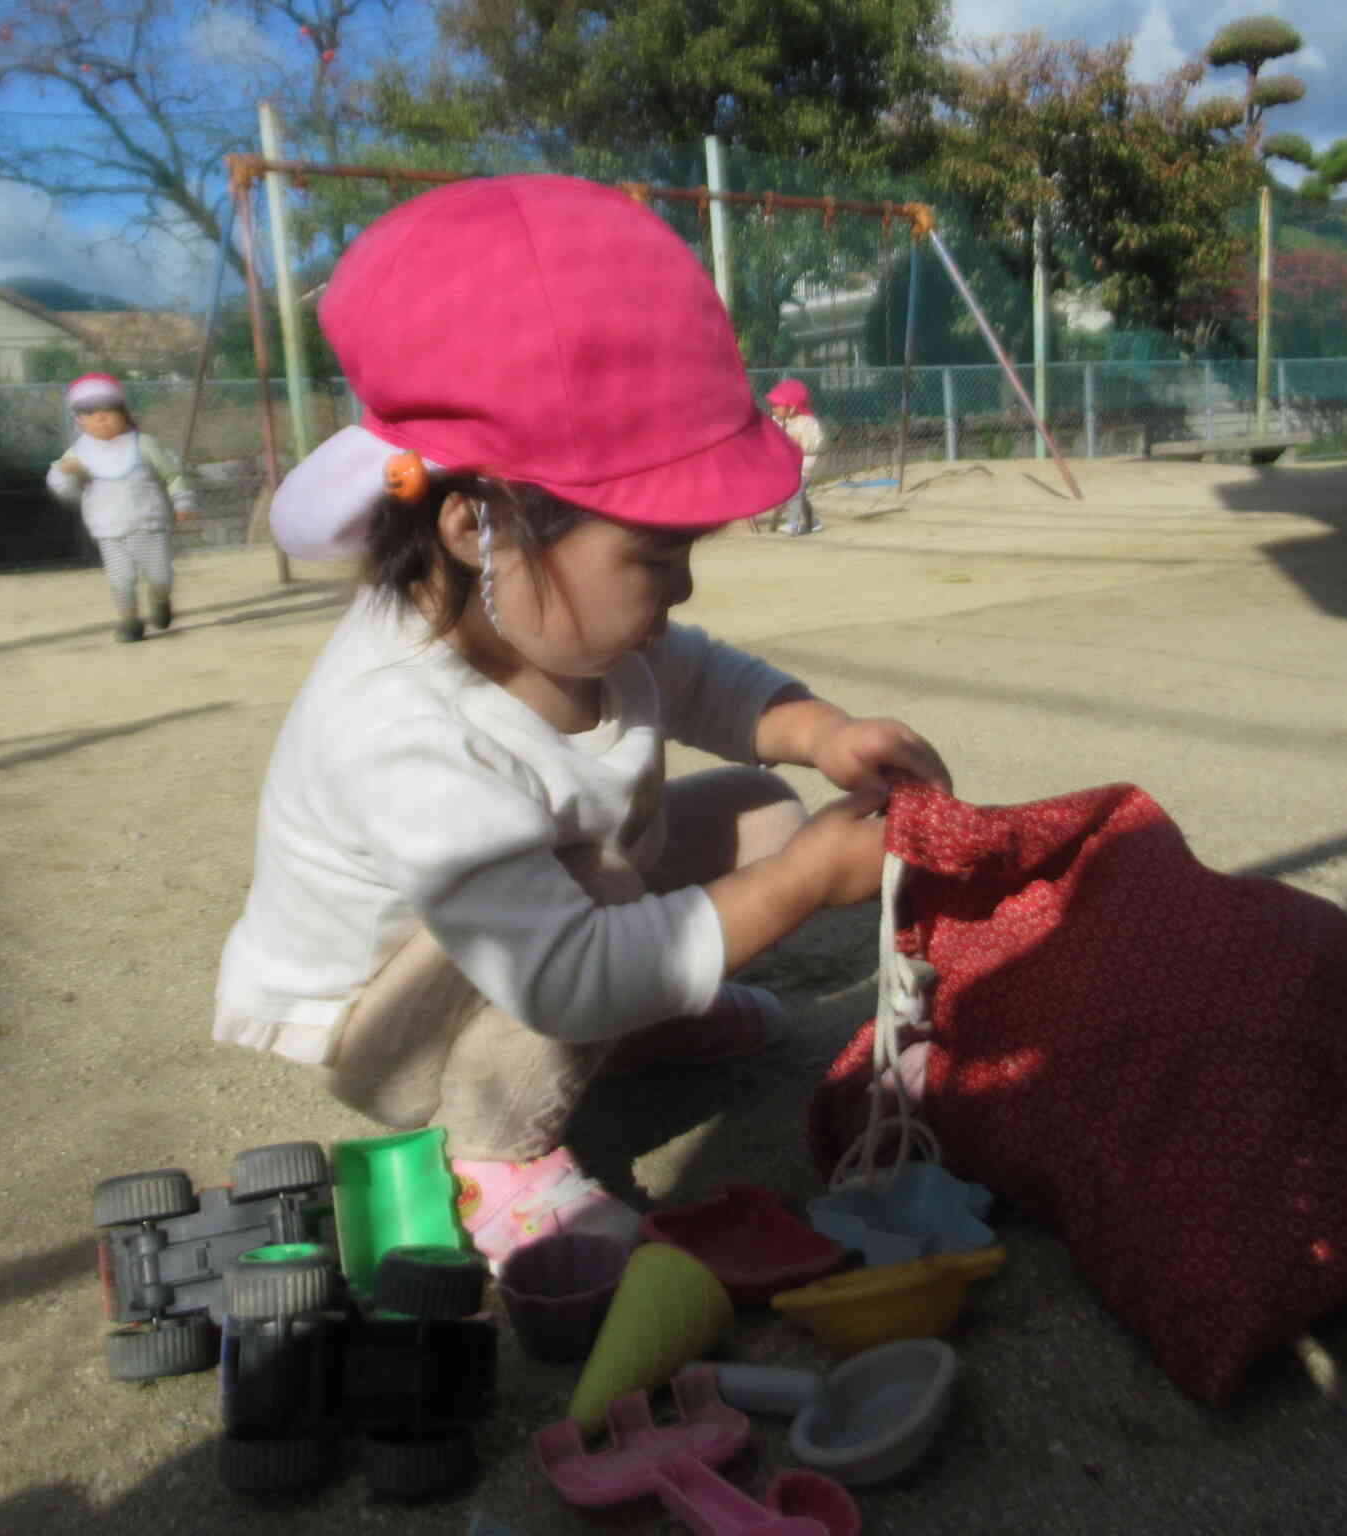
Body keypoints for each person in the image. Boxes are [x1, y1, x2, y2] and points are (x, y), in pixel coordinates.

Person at [210, 175, 951, 1269]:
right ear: (477, 528)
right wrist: (794, 890)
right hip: (393, 1022)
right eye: (657, 557)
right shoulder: (399, 727)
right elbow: (558, 973)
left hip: (531, 926)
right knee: (621, 901)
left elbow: (696, 678)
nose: (682, 592)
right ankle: (495, 1154)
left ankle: (636, 1029)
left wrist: (817, 731)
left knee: (758, 808)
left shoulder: (550, 620)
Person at [47, 373, 196, 642]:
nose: (101, 418)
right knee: (121, 580)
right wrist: (68, 475)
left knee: (160, 575)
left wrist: (182, 501)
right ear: (80, 420)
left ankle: (160, 600)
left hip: (148, 525)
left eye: (108, 411)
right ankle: (130, 622)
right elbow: (63, 488)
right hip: (109, 530)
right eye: (91, 413)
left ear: (124, 414)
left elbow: (172, 475)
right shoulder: (78, 454)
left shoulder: (144, 445)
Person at [762, 378, 826, 535]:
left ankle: (794, 525)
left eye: (777, 405)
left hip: (805, 466)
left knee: (795, 493)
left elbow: (816, 443)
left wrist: (801, 442)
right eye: (773, 405)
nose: (774, 408)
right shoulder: (777, 421)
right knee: (799, 494)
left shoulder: (807, 423)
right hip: (786, 465)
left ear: (792, 407)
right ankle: (814, 522)